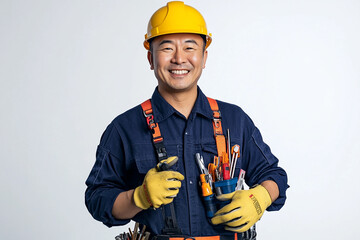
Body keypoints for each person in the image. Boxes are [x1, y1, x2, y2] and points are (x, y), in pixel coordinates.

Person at [85, 1, 289, 239]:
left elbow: (275, 176)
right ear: (150, 58)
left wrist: (260, 198)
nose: (179, 59)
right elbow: (97, 199)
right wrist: (139, 197)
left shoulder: (234, 120)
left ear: (204, 57)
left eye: (190, 47)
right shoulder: (124, 128)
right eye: (167, 48)